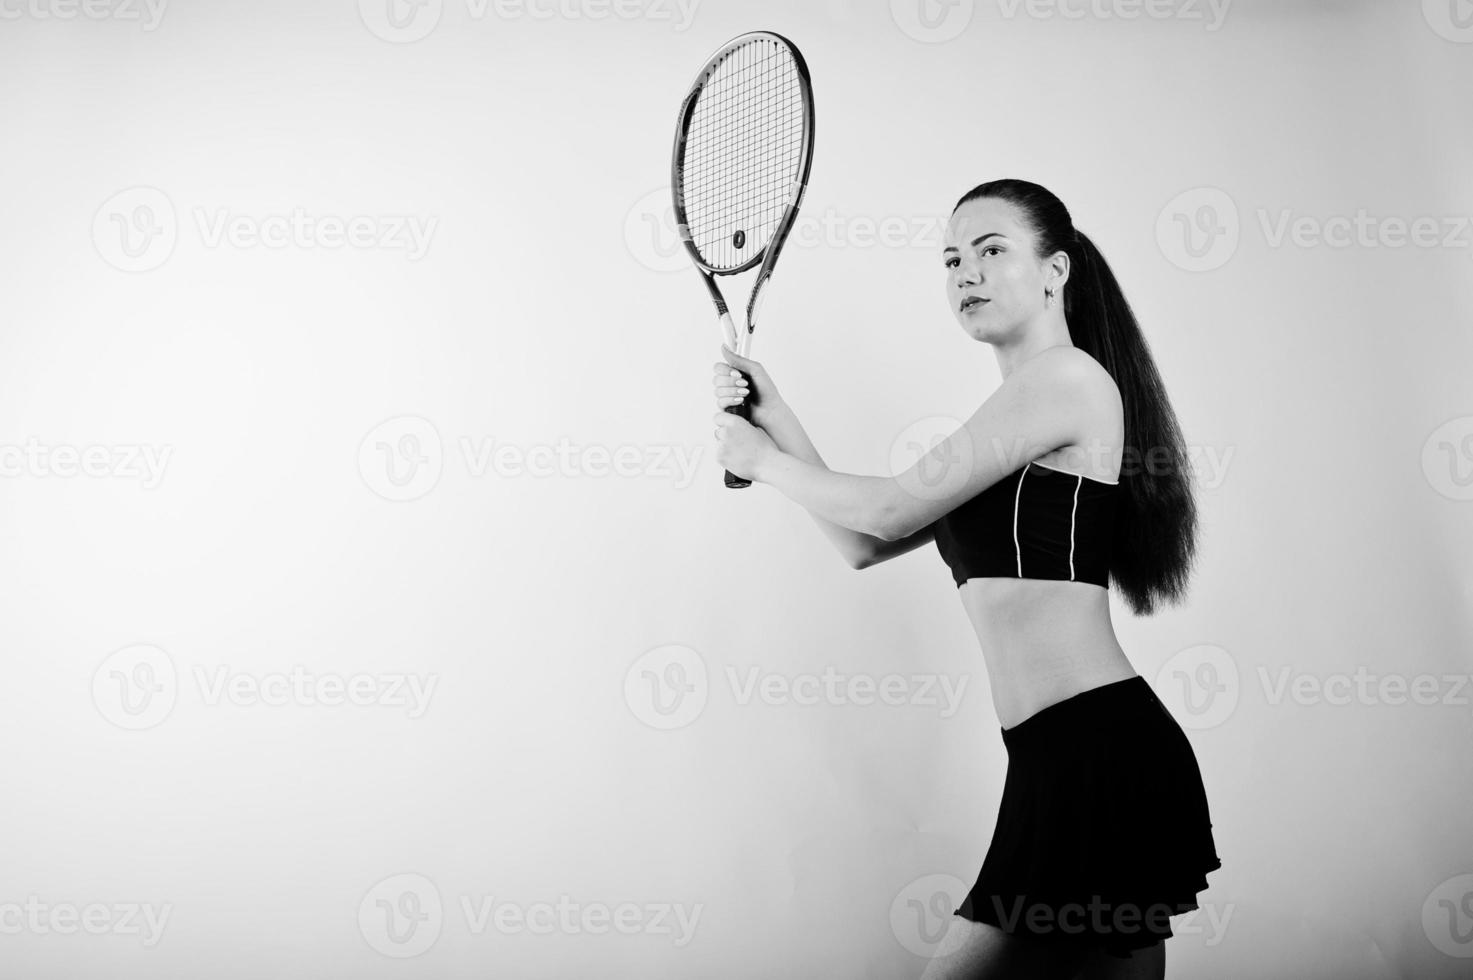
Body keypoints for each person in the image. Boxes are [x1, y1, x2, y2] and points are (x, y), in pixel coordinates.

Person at [710, 178, 1222, 979]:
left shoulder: (1067, 381)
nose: (965, 275)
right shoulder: (1009, 413)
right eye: (951, 260)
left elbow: (884, 509)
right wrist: (776, 417)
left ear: (1054, 270)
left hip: (1095, 752)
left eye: (991, 251)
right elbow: (864, 543)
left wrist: (762, 464)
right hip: (1060, 757)